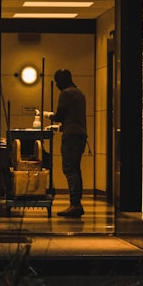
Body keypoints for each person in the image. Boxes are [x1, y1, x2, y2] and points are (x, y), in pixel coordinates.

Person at [50, 68, 87, 218]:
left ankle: (75, 204)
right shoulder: (80, 93)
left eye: (58, 81)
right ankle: (77, 202)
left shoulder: (65, 94)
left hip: (71, 135)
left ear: (63, 80)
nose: (57, 85)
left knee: (69, 169)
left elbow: (59, 115)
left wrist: (49, 115)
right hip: (81, 134)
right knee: (76, 170)